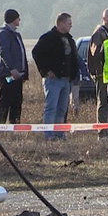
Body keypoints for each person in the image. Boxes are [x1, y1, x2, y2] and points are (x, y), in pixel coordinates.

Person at [31, 12, 80, 140]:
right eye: (69, 23)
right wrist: (46, 70)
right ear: (61, 23)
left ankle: (59, 133)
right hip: (53, 80)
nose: (71, 26)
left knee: (62, 109)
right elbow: (36, 53)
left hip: (66, 79)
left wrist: (74, 74)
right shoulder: (48, 37)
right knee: (51, 107)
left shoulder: (69, 39)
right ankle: (48, 135)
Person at [0, 9, 28, 124]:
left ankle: (15, 125)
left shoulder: (15, 34)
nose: (19, 20)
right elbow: (4, 52)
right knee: (5, 100)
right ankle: (0, 127)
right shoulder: (3, 34)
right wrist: (12, 69)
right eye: (18, 18)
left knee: (17, 101)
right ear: (13, 19)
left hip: (17, 75)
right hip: (7, 75)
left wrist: (24, 72)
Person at [88, 8, 108, 137]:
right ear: (104, 19)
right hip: (101, 73)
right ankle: (102, 132)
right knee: (103, 103)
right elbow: (96, 53)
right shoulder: (99, 33)